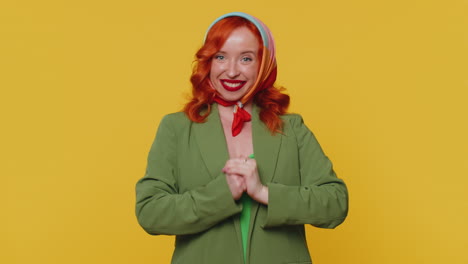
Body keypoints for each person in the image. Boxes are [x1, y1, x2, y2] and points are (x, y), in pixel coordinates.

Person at [135, 12, 348, 264]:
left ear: (264, 64)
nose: (232, 71)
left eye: (246, 58)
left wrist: (264, 192)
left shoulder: (292, 129)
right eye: (220, 57)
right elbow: (150, 212)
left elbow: (335, 203)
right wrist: (221, 194)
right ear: (208, 62)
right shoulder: (176, 128)